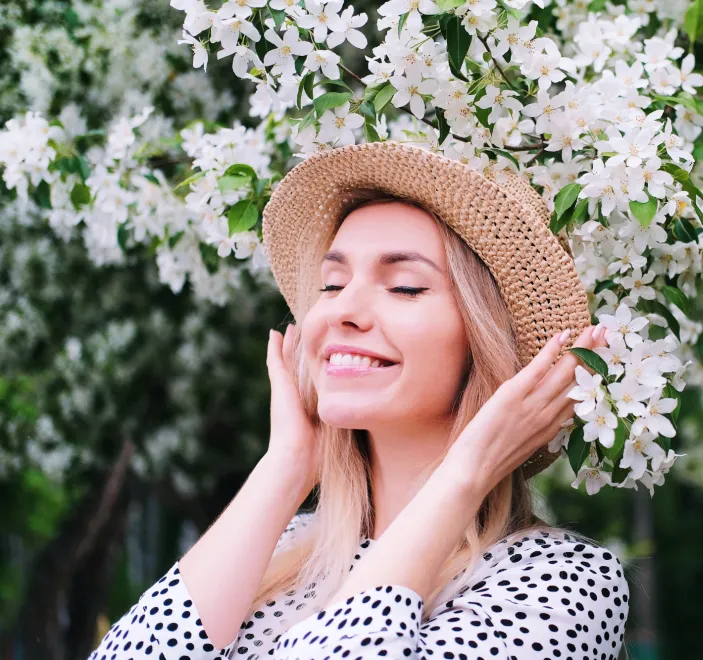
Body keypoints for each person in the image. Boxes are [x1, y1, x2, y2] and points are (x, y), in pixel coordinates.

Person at [89, 141, 630, 660]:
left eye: (405, 287)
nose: (341, 310)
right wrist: (286, 467)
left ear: (485, 342)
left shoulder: (562, 583)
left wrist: (468, 471)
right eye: (331, 284)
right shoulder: (281, 549)